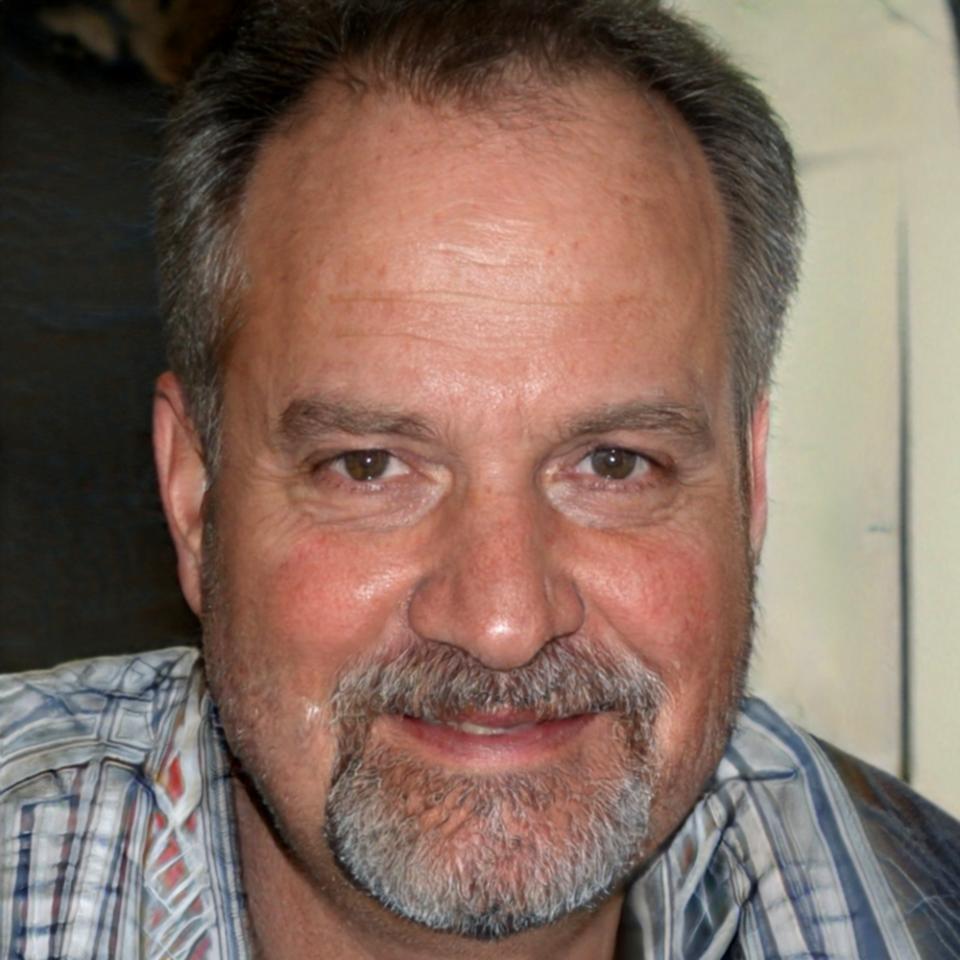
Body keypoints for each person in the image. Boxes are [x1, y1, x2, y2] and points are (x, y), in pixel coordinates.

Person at [2, 0, 959, 957]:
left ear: (748, 488)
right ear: (195, 497)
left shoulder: (924, 908)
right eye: (368, 467)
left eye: (614, 464)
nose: (503, 623)